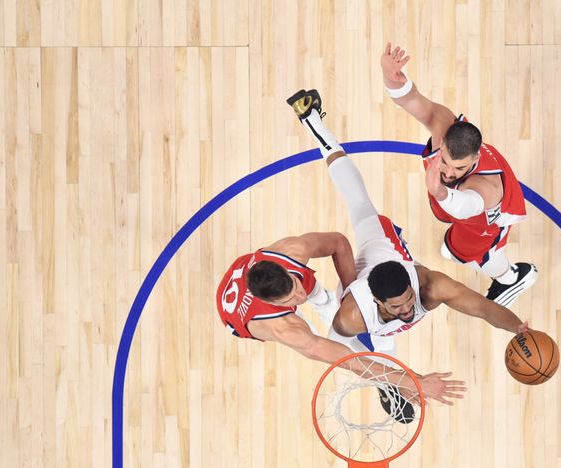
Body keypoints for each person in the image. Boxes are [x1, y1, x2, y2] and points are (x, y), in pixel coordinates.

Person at [287, 88, 530, 415]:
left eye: (406, 299)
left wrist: (518, 327)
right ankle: (313, 122)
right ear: (378, 302)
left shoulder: (429, 286)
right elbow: (353, 361)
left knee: (360, 202)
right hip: (353, 305)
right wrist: (410, 380)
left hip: (383, 247)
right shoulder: (351, 317)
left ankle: (313, 122)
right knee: (370, 346)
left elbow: (483, 308)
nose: (407, 308)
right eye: (399, 305)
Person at [216, 233, 464, 405]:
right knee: (326, 341)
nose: (299, 295)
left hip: (245, 268)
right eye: (291, 299)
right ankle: (386, 384)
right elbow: (350, 362)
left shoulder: (292, 251)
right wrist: (410, 380)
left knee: (322, 300)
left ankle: (319, 299)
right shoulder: (284, 328)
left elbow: (338, 242)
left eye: (295, 285)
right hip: (235, 316)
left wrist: (352, 296)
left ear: (284, 271)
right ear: (274, 303)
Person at [379, 43, 538, 307]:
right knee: (451, 249)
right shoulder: (443, 125)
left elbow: (466, 208)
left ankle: (511, 278)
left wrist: (439, 191)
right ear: (443, 144)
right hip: (460, 209)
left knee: (475, 255)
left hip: (483, 223)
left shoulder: (485, 187)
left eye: (459, 168)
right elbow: (410, 99)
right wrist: (388, 75)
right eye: (446, 162)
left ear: (474, 160)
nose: (449, 172)